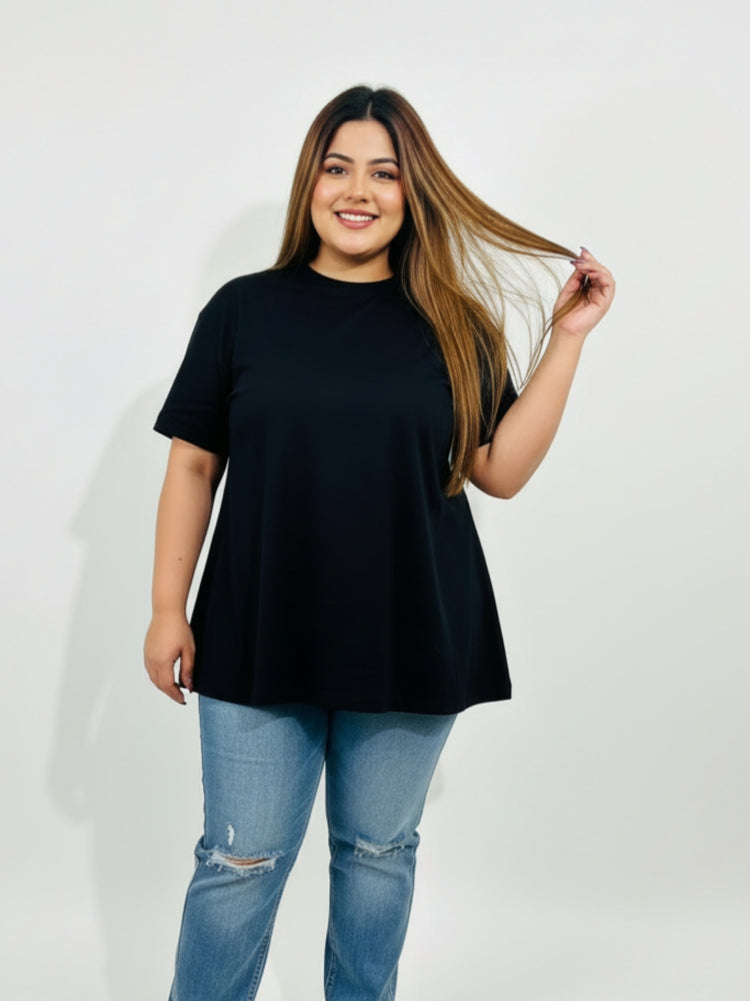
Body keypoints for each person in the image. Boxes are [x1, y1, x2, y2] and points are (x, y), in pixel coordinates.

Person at [143, 84, 615, 1001]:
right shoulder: (243, 310)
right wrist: (168, 607)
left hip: (411, 626)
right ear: (310, 182)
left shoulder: (454, 322)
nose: (357, 191)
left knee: (378, 854)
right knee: (238, 861)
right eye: (338, 167)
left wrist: (567, 338)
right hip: (256, 626)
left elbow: (499, 469)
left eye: (384, 173)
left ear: (413, 192)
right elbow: (194, 463)